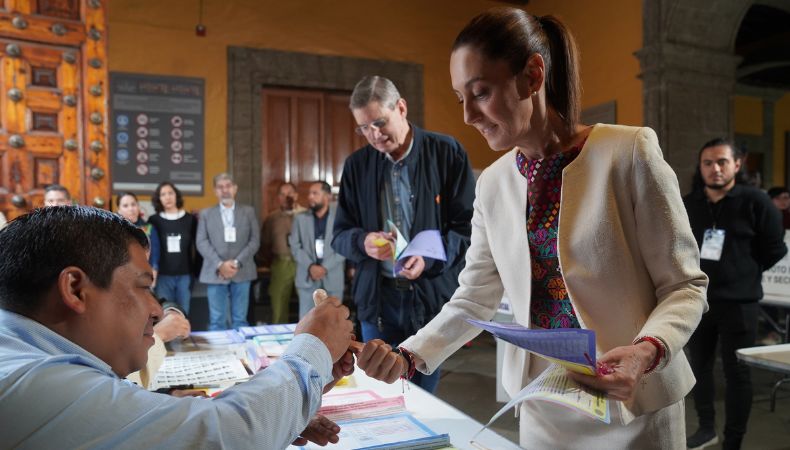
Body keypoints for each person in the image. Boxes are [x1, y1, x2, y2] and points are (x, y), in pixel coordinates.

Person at [355, 8, 708, 449]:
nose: (467, 115)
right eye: (461, 97)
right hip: (545, 401)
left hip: (632, 400)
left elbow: (685, 286)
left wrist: (646, 351)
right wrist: (410, 355)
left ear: (533, 75)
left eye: (480, 92)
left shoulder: (627, 153)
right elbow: (474, 296)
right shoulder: (494, 183)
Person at [0, 206, 355, 449]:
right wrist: (313, 347)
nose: (156, 309)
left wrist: (159, 409)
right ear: (76, 289)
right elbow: (224, 435)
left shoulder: (23, 354)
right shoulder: (33, 384)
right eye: (142, 286)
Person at [331, 75, 475, 394]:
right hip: (378, 299)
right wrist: (362, 242)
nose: (374, 134)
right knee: (381, 391)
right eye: (363, 128)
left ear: (402, 107)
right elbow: (339, 234)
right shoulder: (357, 166)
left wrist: (428, 257)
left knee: (423, 393)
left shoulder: (446, 152)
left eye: (379, 122)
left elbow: (468, 229)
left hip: (430, 295)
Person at [683, 138, 787, 450]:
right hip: (697, 301)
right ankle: (705, 428)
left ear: (737, 165)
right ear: (700, 167)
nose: (715, 169)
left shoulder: (756, 201)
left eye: (722, 162)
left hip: (741, 303)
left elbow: (775, 248)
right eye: (708, 163)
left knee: (737, 374)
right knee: (698, 368)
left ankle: (733, 440)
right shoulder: (689, 204)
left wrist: (744, 272)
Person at [196, 173, 260, 330]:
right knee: (217, 320)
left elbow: (255, 240)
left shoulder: (249, 212)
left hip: (243, 270)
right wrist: (220, 264)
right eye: (220, 187)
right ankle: (221, 354)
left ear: (235, 188)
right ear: (215, 191)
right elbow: (201, 242)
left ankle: (241, 353)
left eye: (228, 186)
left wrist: (236, 263)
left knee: (240, 319)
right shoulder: (206, 214)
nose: (225, 190)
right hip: (215, 271)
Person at [290, 181, 345, 318]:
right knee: (307, 324)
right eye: (309, 193)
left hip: (332, 277)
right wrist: (310, 266)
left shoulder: (340, 219)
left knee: (333, 323)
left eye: (315, 193)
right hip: (308, 278)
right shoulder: (300, 219)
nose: (310, 197)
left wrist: (324, 267)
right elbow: (295, 246)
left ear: (327, 196)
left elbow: (343, 247)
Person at [259, 182, 305, 323]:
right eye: (282, 194)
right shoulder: (272, 218)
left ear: (296, 196)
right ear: (278, 197)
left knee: (308, 305)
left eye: (290, 193)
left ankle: (309, 339)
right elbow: (265, 244)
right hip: (281, 263)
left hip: (304, 264)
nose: (286, 197)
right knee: (278, 306)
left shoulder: (306, 215)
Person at [148, 182, 196, 315]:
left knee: (184, 313)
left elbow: (196, 248)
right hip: (163, 275)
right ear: (159, 199)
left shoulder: (190, 219)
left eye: (170, 193)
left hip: (185, 275)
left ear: (176, 196)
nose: (167, 197)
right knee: (165, 314)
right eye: (163, 194)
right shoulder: (154, 220)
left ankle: (184, 337)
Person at [117, 192, 160, 285]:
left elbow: (155, 254)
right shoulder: (114, 229)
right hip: (120, 277)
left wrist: (154, 274)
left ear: (138, 206)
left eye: (133, 204)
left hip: (144, 275)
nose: (131, 208)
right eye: (125, 205)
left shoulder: (149, 228)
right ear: (119, 210)